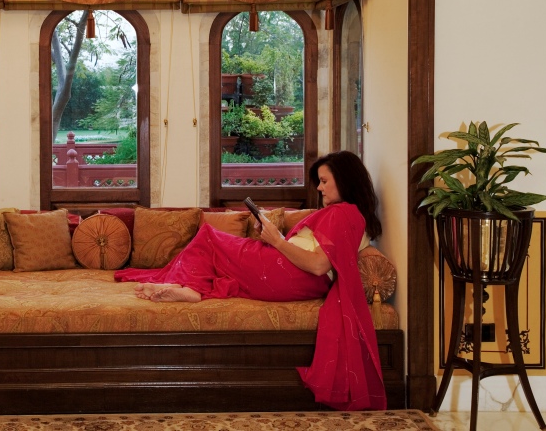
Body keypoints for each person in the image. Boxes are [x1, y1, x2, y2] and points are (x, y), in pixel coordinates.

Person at [114, 150, 386, 411]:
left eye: (325, 181)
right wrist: (273, 235)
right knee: (217, 254)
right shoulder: (350, 216)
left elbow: (318, 265)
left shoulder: (343, 213)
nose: (319, 188)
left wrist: (277, 241)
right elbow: (313, 254)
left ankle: (190, 288)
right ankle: (186, 285)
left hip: (290, 274)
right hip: (290, 276)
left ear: (346, 180)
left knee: (209, 236)